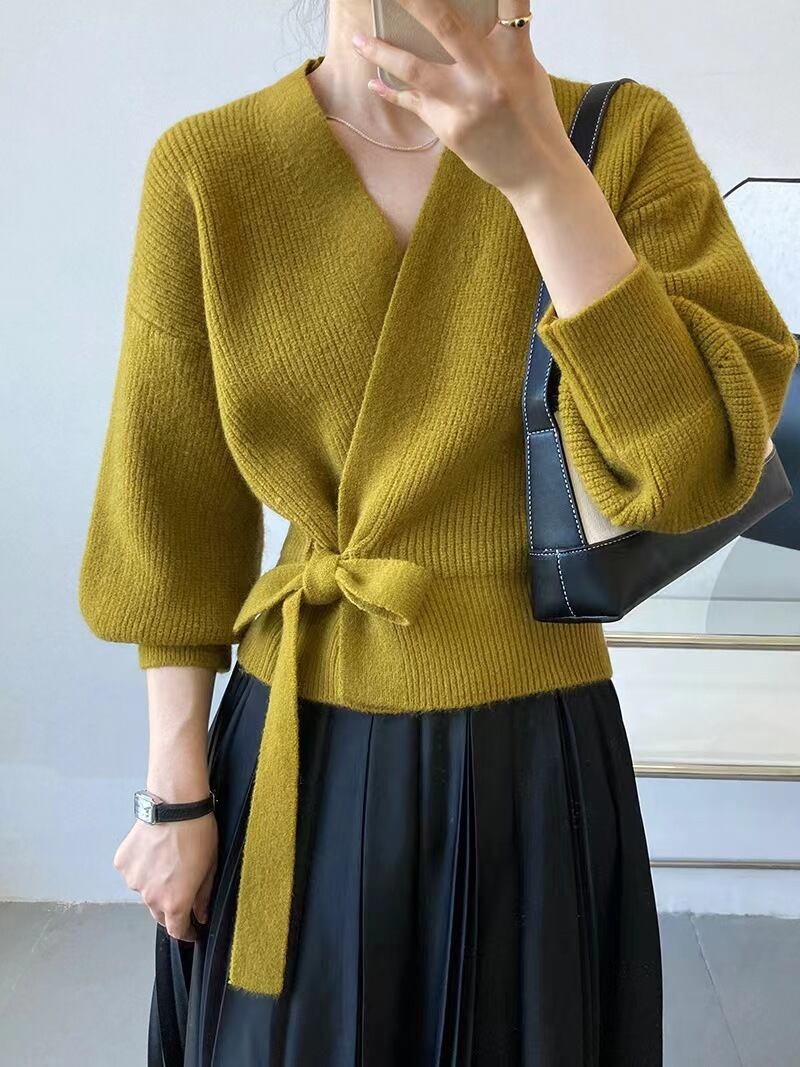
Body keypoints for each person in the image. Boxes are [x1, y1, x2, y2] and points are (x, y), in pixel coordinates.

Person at [77, 0, 798, 1064]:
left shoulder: (619, 141)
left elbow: (691, 472)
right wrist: (173, 796)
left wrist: (543, 179)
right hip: (299, 745)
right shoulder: (210, 167)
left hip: (534, 751)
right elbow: (171, 511)